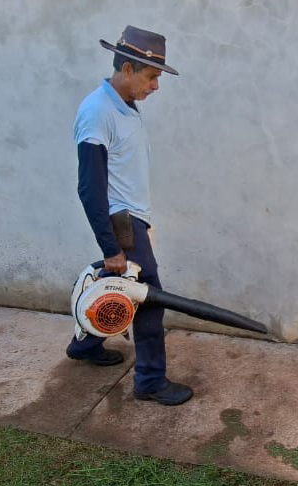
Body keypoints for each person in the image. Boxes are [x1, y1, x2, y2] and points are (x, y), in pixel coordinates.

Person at [66, 25, 193, 406]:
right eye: (151, 76)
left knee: (118, 281)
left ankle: (85, 345)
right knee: (149, 298)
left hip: (132, 218)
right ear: (126, 69)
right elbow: (89, 188)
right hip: (122, 222)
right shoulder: (98, 112)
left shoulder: (124, 105)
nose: (156, 86)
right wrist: (111, 247)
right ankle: (150, 380)